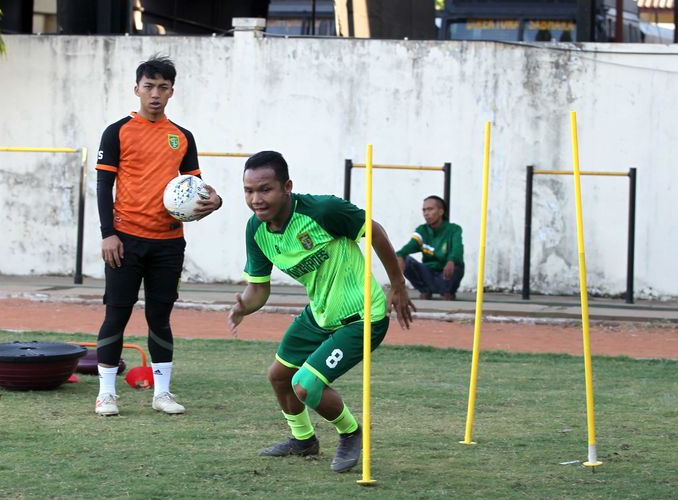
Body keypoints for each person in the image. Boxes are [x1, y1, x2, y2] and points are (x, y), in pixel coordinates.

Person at [227, 151, 415, 473]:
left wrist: (397, 283)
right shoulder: (256, 231)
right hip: (320, 314)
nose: (256, 199)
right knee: (279, 376)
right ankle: (303, 441)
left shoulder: (323, 210)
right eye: (248, 191)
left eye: (265, 189)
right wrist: (244, 306)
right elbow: (259, 288)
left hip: (362, 316)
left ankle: (351, 432)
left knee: (306, 385)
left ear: (287, 186)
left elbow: (374, 230)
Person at [94, 56, 222, 416]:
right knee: (116, 315)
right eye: (148, 86)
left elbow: (197, 187)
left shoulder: (182, 137)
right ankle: (107, 394)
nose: (155, 94)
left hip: (168, 242)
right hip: (125, 240)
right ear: (136, 90)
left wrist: (216, 200)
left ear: (171, 92)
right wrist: (109, 234)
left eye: (162, 87)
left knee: (160, 317)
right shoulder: (117, 131)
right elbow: (104, 185)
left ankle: (162, 394)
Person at [396, 195, 464, 301]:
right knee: (406, 260)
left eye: (430, 209)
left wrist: (451, 260)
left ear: (441, 212)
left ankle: (448, 292)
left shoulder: (454, 229)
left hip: (446, 274)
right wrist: (400, 255)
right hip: (428, 274)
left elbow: (457, 249)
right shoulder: (421, 230)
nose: (426, 213)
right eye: (424, 210)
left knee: (457, 266)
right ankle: (425, 290)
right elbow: (409, 247)